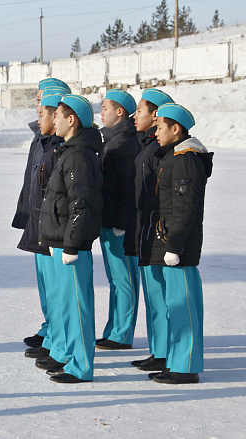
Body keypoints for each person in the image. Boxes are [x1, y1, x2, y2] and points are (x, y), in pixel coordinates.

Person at [142, 103, 212, 384]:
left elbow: (185, 208)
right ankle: (177, 362)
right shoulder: (172, 156)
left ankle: (186, 367)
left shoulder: (185, 158)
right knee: (175, 307)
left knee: (184, 308)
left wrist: (175, 246)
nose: (155, 132)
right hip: (170, 242)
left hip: (179, 247)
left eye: (160, 127)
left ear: (176, 128)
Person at [35, 94, 103, 383]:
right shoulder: (70, 151)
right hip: (61, 242)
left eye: (58, 115)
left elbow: (81, 204)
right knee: (68, 306)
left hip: (70, 245)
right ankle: (71, 359)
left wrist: (72, 244)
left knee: (77, 308)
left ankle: (81, 367)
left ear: (71, 120)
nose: (54, 120)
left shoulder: (78, 156)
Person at [12, 78, 71, 349]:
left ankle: (58, 335)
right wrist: (24, 213)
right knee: (46, 284)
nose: (37, 105)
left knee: (58, 285)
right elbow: (31, 179)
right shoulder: (40, 137)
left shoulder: (61, 143)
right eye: (37, 100)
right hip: (37, 218)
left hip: (53, 223)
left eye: (41, 100)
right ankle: (51, 328)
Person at [125, 89, 175, 371]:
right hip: (143, 229)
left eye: (140, 111)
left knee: (161, 296)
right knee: (153, 297)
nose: (135, 116)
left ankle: (166, 351)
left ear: (156, 115)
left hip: (155, 231)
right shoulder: (147, 145)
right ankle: (159, 350)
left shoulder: (158, 149)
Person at [96, 89, 140, 351]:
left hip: (119, 224)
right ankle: (114, 330)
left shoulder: (125, 143)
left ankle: (122, 334)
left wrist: (121, 224)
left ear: (120, 111)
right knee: (116, 279)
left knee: (124, 279)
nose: (101, 113)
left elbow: (127, 189)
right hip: (108, 220)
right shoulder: (112, 140)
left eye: (105, 108)